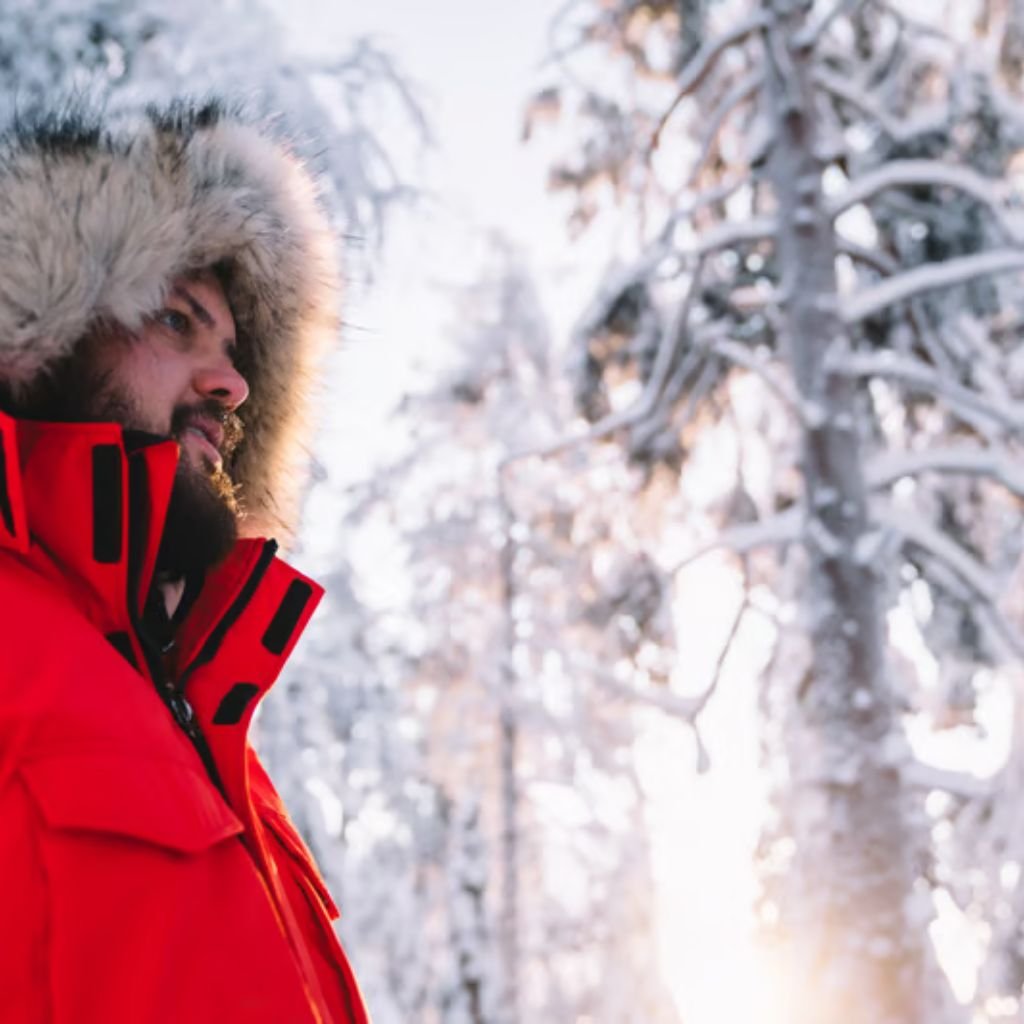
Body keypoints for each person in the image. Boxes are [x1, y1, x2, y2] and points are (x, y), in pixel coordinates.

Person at [0, 100, 370, 1024]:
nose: (231, 383)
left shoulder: (209, 724)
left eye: (236, 354)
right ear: (53, 338)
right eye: (176, 320)